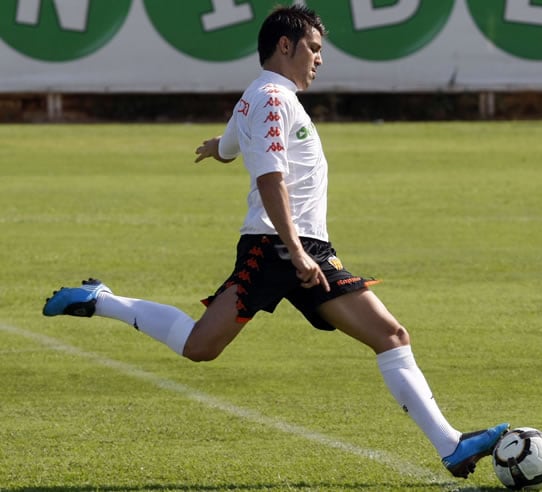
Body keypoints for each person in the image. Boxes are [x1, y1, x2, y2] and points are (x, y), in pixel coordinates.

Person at [42, 4, 508, 479]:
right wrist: (297, 247)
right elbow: (271, 179)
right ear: (284, 46)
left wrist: (216, 150)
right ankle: (450, 444)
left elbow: (230, 145)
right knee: (371, 337)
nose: (319, 60)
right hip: (281, 248)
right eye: (313, 48)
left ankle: (451, 445)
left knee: (218, 345)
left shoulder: (262, 97)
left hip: (294, 248)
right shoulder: (272, 99)